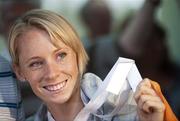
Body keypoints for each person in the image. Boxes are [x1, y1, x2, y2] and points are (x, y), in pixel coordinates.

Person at [8, 9, 175, 121]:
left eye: (61, 55)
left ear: (78, 55)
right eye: (36, 63)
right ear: (20, 72)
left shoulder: (134, 111)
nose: (51, 73)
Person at [0, 0, 42, 118]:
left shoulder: (61, 65)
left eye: (31, 18)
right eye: (13, 20)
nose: (23, 25)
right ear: (1, 26)